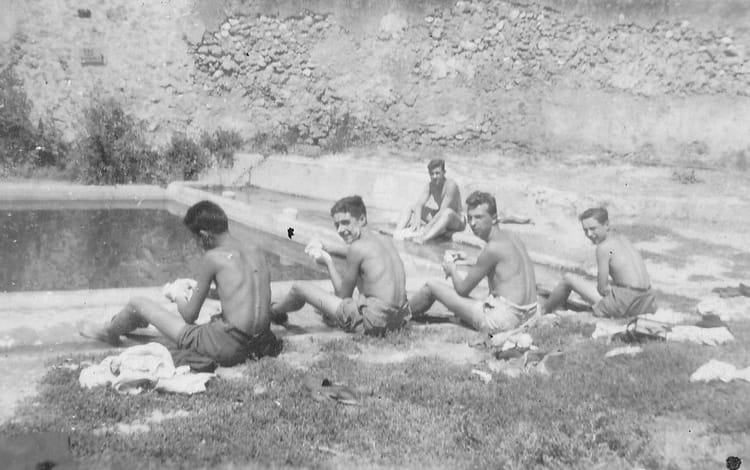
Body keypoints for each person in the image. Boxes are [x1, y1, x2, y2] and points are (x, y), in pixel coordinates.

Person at [80, 200, 282, 366]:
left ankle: (109, 332)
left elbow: (189, 315)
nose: (197, 245)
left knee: (137, 304)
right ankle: (121, 324)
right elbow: (241, 294)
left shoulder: (213, 257)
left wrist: (177, 294)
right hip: (261, 343)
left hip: (230, 347)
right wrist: (203, 290)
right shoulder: (255, 251)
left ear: (204, 236)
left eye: (196, 240)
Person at [271, 195, 410, 336]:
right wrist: (327, 248)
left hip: (375, 323)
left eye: (345, 223)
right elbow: (358, 252)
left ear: (362, 219)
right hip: (400, 320)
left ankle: (273, 311)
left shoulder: (357, 248)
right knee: (327, 300)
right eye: (337, 225)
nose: (340, 230)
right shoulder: (385, 240)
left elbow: (343, 297)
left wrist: (328, 262)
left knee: (299, 288)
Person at [409, 191, 538, 335]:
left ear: (494, 218)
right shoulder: (512, 238)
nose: (472, 223)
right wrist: (468, 259)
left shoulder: (492, 248)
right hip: (530, 314)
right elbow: (500, 267)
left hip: (505, 320)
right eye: (470, 218)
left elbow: (463, 290)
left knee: (431, 287)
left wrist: (452, 270)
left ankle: (400, 316)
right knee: (481, 300)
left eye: (479, 217)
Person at [543, 207, 657, 318]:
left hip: (627, 304)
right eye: (585, 230)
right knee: (614, 290)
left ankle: (543, 312)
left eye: (593, 229)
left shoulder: (603, 247)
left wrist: (607, 294)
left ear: (606, 225)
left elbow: (602, 289)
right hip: (647, 301)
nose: (589, 234)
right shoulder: (623, 239)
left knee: (568, 279)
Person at [394, 158, 466, 244]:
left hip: (456, 220)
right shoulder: (430, 185)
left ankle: (424, 239)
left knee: (447, 212)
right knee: (410, 206)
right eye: (432, 174)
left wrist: (428, 227)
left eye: (437, 173)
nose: (434, 176)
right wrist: (417, 220)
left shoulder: (451, 185)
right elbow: (419, 204)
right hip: (441, 217)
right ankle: (397, 233)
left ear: (444, 172)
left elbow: (443, 211)